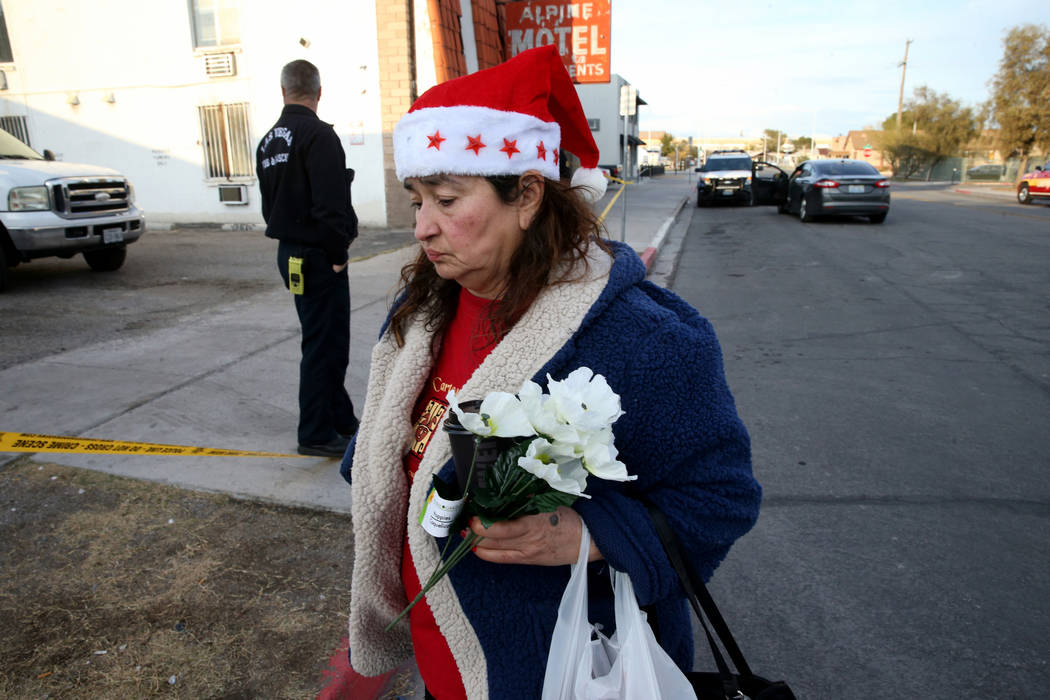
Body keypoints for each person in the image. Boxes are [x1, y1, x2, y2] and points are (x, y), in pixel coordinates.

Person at [340, 45, 760, 699]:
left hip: (563, 675)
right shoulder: (422, 310)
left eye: (448, 199)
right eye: (417, 198)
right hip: (445, 668)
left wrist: (588, 534)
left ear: (528, 194)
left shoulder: (648, 338)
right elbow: (397, 442)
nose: (423, 227)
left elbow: (720, 499)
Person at [257, 59, 358, 457]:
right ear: (319, 92)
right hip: (319, 255)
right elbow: (331, 205)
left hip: (291, 253)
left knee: (323, 340)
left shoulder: (269, 141)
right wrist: (337, 255)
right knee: (325, 345)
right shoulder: (318, 136)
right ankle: (315, 432)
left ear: (283, 92)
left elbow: (271, 205)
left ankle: (340, 417)